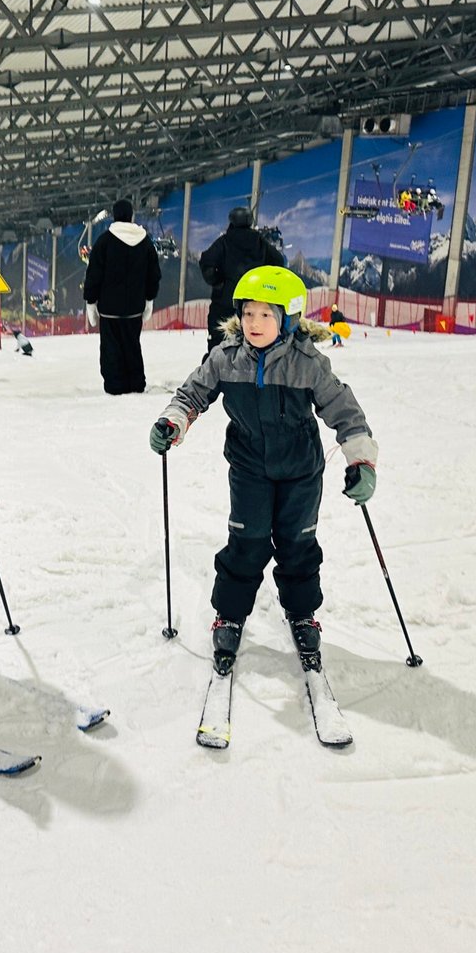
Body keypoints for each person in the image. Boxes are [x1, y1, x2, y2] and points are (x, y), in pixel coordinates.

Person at [147, 265, 378, 678]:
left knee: (297, 543)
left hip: (301, 472)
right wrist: (173, 421)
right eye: (248, 313)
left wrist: (360, 460)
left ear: (287, 318)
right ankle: (230, 615)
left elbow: (345, 410)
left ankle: (303, 613)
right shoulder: (225, 359)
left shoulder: (308, 364)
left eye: (265, 315)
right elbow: (193, 392)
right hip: (250, 468)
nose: (254, 324)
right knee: (247, 540)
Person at [83, 198, 161, 394]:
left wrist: (91, 302)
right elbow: (153, 274)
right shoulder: (145, 243)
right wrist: (149, 299)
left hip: (109, 310)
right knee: (132, 345)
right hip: (135, 308)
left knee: (111, 349)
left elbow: (93, 275)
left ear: (115, 216)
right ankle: (136, 384)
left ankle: (115, 386)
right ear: (131, 216)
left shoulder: (104, 242)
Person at [199, 206, 284, 353]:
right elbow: (278, 261)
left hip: (225, 303)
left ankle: (217, 375)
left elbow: (207, 262)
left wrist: (218, 282)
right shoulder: (260, 242)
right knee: (252, 346)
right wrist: (264, 284)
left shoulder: (224, 242)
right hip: (252, 303)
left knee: (218, 347)